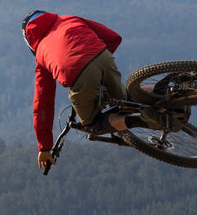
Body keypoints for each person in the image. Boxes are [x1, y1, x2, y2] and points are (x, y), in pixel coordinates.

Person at [22, 10, 154, 170]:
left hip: (81, 77)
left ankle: (145, 120)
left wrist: (44, 147)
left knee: (92, 125)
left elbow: (43, 104)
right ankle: (171, 93)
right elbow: (113, 37)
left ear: (30, 43)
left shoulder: (41, 55)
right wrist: (97, 60)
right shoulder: (67, 19)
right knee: (126, 100)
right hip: (103, 56)